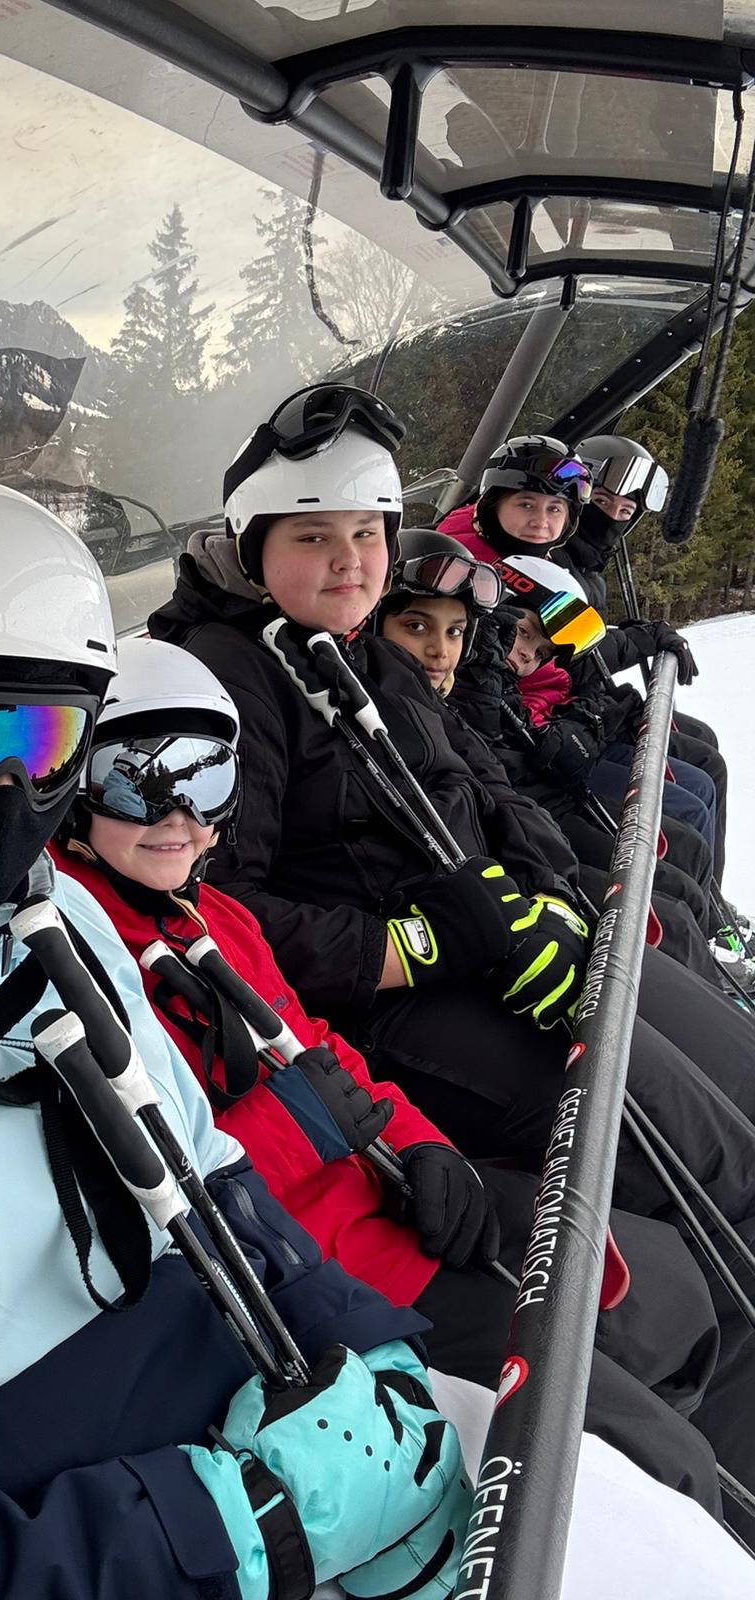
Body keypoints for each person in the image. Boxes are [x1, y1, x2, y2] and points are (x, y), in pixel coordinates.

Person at [0, 470, 471, 1600]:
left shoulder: (58, 919)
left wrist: (367, 1346)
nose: (2, 790)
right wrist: (239, 1530)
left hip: (254, 1417)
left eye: (42, 741)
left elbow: (212, 1174)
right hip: (149, 1539)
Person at [146, 383, 755, 1520]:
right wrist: (423, 942)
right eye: (313, 536)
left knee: (729, 1114)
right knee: (679, 1154)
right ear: (254, 541)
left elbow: (472, 787)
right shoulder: (228, 679)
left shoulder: (358, 655)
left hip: (501, 951)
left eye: (367, 532)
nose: (351, 560)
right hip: (393, 1013)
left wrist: (550, 897)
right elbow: (221, 912)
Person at [52, 632, 739, 1500]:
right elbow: (159, 1168)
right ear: (70, 788)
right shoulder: (75, 952)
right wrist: (309, 1121)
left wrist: (422, 1143)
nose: (179, 817)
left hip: (386, 1198)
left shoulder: (209, 912)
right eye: (137, 781)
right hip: (326, 1281)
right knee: (654, 1459)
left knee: (663, 1297)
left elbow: (315, 1045)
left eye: (208, 780)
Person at [382, 534, 723, 985]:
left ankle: (715, 958)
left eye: (454, 632)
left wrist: (592, 712)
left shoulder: (486, 682)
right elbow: (489, 771)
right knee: (667, 915)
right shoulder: (461, 686)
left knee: (678, 884)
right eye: (521, 633)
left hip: (534, 832)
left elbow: (584, 668)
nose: (525, 654)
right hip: (501, 862)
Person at [439, 438, 719, 860]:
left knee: (701, 778)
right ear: (494, 502)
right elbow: (508, 684)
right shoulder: (482, 574)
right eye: (526, 505)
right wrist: (583, 716)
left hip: (554, 726)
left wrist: (591, 710)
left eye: (554, 510)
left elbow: (565, 651)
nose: (540, 523)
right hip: (533, 748)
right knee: (687, 815)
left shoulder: (527, 558)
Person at [571, 433, 731, 888]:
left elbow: (582, 638)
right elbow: (572, 655)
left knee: (707, 757)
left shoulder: (585, 567)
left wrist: (635, 635)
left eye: (625, 511)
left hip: (587, 715)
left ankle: (711, 899)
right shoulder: (548, 566)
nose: (611, 518)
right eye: (601, 502)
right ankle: (699, 905)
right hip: (568, 732)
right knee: (691, 799)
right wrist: (638, 640)